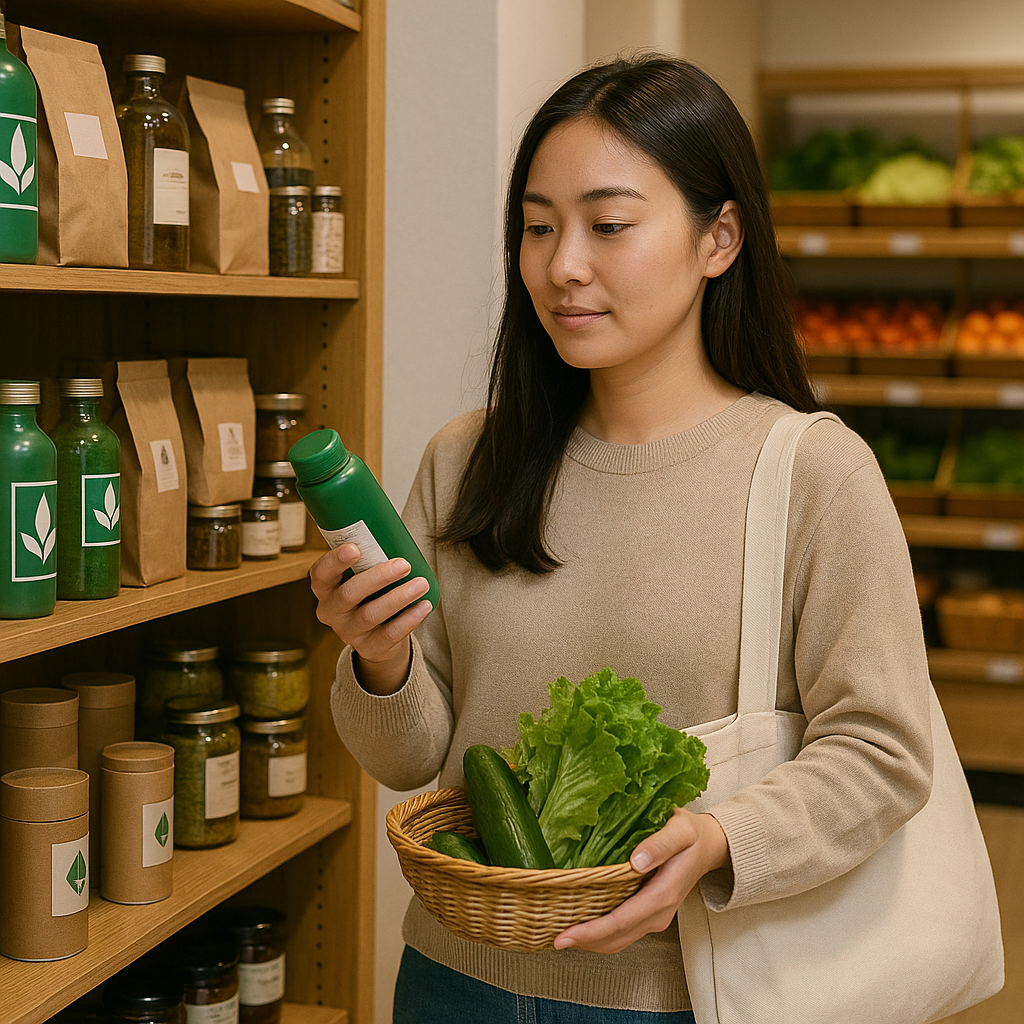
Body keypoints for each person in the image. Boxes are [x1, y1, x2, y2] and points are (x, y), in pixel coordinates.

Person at [310, 54, 933, 1023]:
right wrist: (380, 660)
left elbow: (884, 747)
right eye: (537, 226)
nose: (562, 264)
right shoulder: (469, 457)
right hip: (452, 979)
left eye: (607, 225)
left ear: (718, 237)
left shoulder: (813, 473)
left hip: (684, 991)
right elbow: (414, 757)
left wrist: (727, 835)